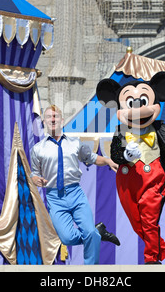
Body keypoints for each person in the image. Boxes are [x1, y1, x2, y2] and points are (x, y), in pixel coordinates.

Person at [30, 105, 120, 265]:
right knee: (67, 238)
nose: (52, 119)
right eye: (49, 116)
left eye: (55, 116)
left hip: (75, 194)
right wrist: (36, 179)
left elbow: (92, 158)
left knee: (89, 232)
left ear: (62, 120)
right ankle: (96, 233)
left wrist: (106, 160)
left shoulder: (75, 143)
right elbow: (34, 173)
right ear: (43, 121)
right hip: (54, 197)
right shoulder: (38, 149)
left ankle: (90, 271)